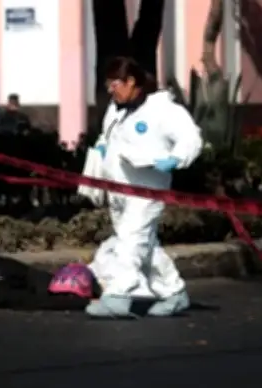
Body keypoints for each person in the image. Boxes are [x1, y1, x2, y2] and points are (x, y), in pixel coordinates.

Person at [83, 56, 203, 318]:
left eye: (115, 84)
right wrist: (102, 148)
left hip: (147, 190)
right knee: (146, 246)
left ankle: (118, 295)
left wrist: (175, 159)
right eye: (108, 85)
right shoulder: (116, 110)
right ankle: (174, 292)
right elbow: (107, 135)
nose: (111, 90)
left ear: (132, 82)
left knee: (130, 241)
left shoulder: (163, 110)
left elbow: (190, 138)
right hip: (118, 190)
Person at [0, 255, 101, 311]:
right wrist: (86, 303)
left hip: (37, 278)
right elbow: (39, 301)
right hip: (43, 285)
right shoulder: (2, 293)